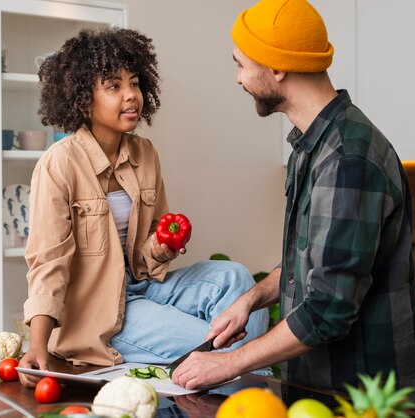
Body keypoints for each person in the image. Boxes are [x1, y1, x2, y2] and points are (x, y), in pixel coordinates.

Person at [171, 0, 415, 414]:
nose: (238, 78)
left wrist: (227, 365)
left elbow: (328, 308)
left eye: (241, 64)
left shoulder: (348, 158)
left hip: (366, 399)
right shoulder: (311, 145)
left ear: (277, 67)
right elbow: (310, 258)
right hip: (320, 390)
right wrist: (250, 299)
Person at [18, 27, 268, 387]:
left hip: (144, 287)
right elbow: (48, 262)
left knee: (238, 279)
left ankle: (245, 379)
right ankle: (254, 386)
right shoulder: (59, 164)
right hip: (101, 312)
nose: (131, 95)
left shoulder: (145, 153)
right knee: (220, 353)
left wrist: (159, 247)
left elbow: (150, 243)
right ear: (82, 98)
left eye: (134, 83)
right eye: (113, 86)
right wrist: (37, 344)